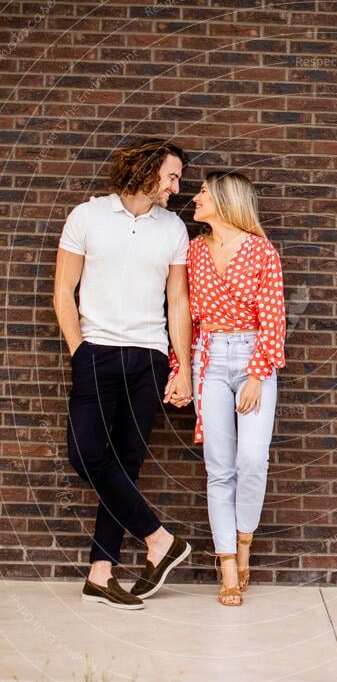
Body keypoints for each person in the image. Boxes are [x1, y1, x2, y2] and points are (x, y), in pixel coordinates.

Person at [53, 138, 194, 610]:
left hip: (148, 358)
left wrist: (183, 367)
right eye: (172, 176)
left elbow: (178, 302)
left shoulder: (173, 228)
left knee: (126, 464)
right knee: (86, 453)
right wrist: (80, 351)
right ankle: (158, 539)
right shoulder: (87, 216)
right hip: (96, 352)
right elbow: (63, 290)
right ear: (148, 169)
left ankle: (100, 571)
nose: (177, 187)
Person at [169, 171, 286, 606]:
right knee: (219, 467)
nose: (194, 198)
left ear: (224, 200)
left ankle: (245, 542)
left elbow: (273, 318)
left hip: (254, 356)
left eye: (202, 192)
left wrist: (257, 374)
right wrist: (181, 369)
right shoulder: (194, 249)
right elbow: (185, 315)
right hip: (210, 358)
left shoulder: (261, 251)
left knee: (253, 459)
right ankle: (228, 568)